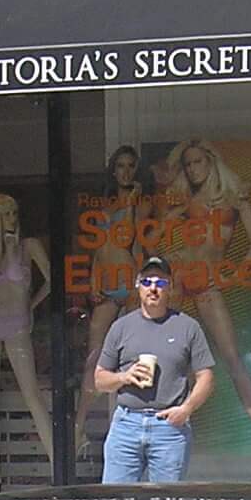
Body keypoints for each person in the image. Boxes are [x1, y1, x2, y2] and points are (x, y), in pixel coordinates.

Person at [159, 138, 251, 438]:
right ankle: (166, 430)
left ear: (211, 162)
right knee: (170, 355)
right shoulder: (187, 200)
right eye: (188, 164)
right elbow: (158, 232)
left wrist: (234, 271)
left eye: (198, 162)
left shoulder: (234, 198)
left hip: (207, 281)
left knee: (232, 359)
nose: (193, 169)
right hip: (181, 275)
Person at [94, 254, 214, 483]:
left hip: (169, 428)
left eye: (160, 283)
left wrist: (186, 409)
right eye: (147, 282)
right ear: (138, 286)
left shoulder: (187, 327)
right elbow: (99, 379)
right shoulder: (121, 327)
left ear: (169, 288)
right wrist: (124, 377)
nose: (153, 288)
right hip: (126, 426)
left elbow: (206, 377)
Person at [0, 191, 54, 491]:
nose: (13, 219)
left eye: (15, 213)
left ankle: (56, 461)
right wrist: (2, 250)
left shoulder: (28, 247)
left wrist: (31, 306)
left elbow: (52, 280)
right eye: (6, 214)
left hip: (17, 323)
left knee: (31, 392)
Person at [78, 145, 155, 442]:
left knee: (136, 354)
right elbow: (99, 249)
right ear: (113, 170)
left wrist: (133, 202)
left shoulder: (142, 204)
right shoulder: (103, 207)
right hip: (107, 282)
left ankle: (130, 425)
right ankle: (80, 425)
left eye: (130, 166)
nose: (125, 171)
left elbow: (132, 238)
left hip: (130, 280)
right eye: (120, 166)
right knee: (95, 355)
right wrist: (93, 280)